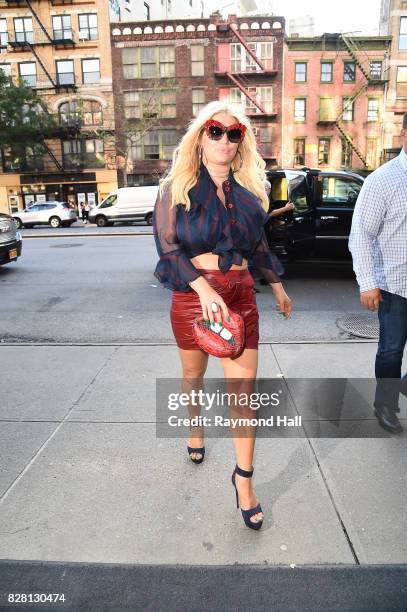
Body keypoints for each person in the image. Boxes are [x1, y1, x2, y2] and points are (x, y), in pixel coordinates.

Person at [153, 100, 293, 530]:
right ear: (200, 136)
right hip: (194, 296)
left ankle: (244, 480)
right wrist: (202, 288)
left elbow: (259, 246)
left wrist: (277, 285)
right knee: (192, 378)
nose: (226, 140)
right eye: (216, 130)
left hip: (241, 295)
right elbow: (168, 247)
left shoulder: (251, 194)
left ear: (242, 142)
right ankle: (195, 427)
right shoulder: (174, 189)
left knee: (243, 395)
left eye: (235, 133)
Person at [349, 112, 407, 434]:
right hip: (395, 286)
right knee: (391, 350)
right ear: (404, 133)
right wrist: (367, 283)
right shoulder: (382, 180)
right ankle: (384, 405)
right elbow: (361, 235)